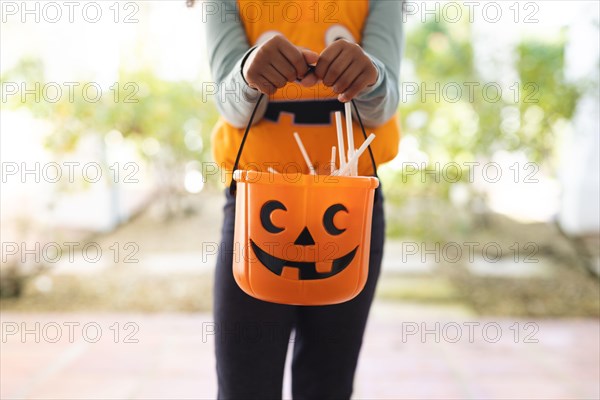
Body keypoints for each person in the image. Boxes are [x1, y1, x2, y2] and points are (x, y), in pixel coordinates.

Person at [199, 1, 403, 398]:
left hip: (348, 208)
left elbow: (383, 103)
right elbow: (231, 104)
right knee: (245, 386)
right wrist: (246, 74)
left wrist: (371, 78)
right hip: (257, 208)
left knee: (328, 384)